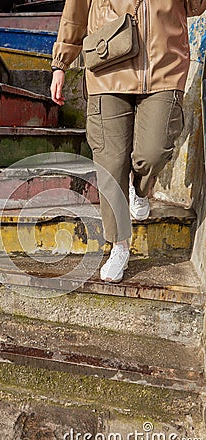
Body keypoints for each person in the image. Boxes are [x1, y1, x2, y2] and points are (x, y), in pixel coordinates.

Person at [50, 0, 206, 282]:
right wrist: (60, 63)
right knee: (110, 161)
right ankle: (119, 245)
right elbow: (76, 9)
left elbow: (195, 7)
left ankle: (141, 189)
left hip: (164, 65)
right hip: (107, 64)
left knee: (154, 152)